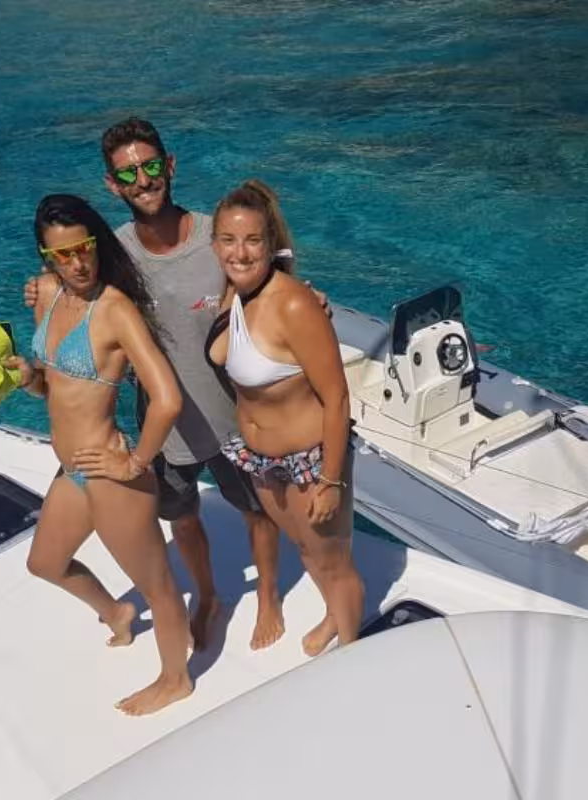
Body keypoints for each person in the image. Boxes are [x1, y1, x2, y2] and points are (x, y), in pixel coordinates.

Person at [25, 118, 286, 651]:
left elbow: (267, 276)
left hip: (234, 418)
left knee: (258, 512)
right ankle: (209, 595)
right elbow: (77, 288)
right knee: (183, 521)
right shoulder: (112, 254)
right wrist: (44, 285)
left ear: (170, 166)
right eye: (128, 174)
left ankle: (268, 597)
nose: (142, 181)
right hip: (164, 431)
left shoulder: (217, 238)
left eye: (149, 167)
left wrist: (307, 297)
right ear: (112, 185)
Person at [5, 193, 192, 716]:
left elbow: (168, 398)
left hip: (113, 479)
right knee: (45, 562)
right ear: (46, 257)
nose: (77, 263)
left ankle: (176, 679)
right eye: (61, 255)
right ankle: (115, 612)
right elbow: (53, 387)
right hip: (72, 471)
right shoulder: (46, 295)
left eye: (84, 248)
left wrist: (135, 463)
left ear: (97, 243)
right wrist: (27, 378)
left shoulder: (115, 309)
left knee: (158, 586)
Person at [204, 179, 364, 656]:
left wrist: (330, 481)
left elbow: (336, 397)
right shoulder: (232, 295)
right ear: (214, 245)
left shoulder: (294, 304)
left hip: (309, 462)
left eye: (253, 240)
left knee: (332, 564)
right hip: (260, 461)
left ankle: (355, 657)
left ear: (271, 244)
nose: (240, 252)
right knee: (307, 550)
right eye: (228, 240)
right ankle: (336, 618)